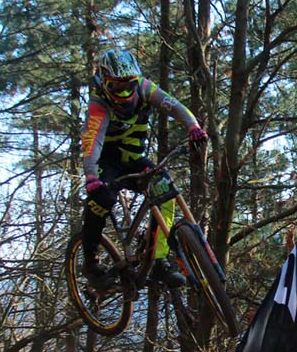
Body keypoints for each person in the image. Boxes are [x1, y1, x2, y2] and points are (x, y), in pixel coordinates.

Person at [82, 48, 207, 288]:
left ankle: (159, 261)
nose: (125, 90)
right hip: (106, 162)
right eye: (118, 86)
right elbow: (92, 140)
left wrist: (194, 127)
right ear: (105, 81)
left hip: (133, 158)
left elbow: (173, 105)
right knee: (100, 201)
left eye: (129, 83)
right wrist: (90, 176)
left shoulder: (144, 87)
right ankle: (90, 263)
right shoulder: (99, 102)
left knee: (165, 190)